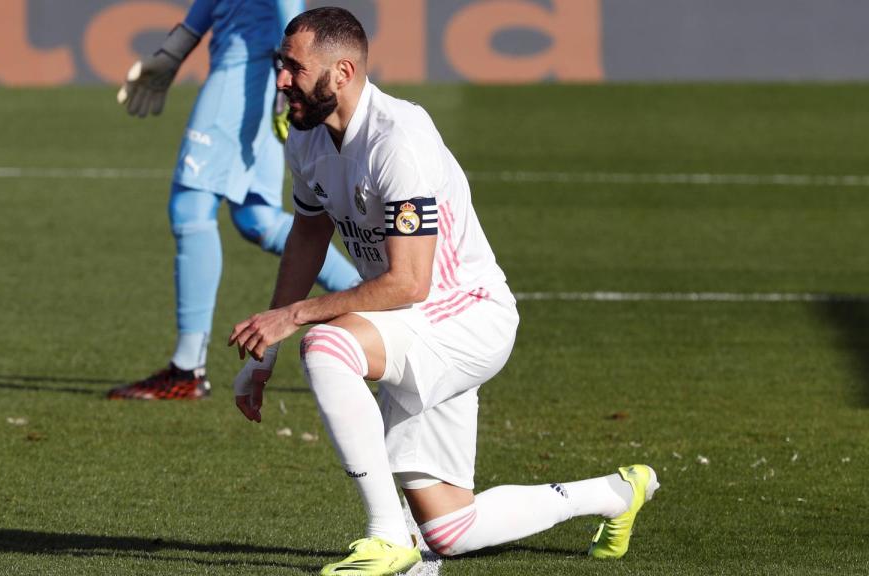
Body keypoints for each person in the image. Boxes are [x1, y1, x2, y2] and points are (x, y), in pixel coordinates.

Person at [227, 7, 659, 575]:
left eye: (295, 68)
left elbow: (410, 281)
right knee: (450, 530)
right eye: (281, 64)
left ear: (343, 73)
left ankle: (387, 537)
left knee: (328, 347)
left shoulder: (397, 139)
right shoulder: (306, 138)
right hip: (410, 323)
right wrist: (270, 346)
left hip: (465, 318)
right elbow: (310, 230)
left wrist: (299, 319)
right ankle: (611, 494)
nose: (282, 80)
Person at [108, 0, 361, 400]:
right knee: (255, 217)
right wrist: (172, 55)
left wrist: (287, 72)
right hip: (255, 70)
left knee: (191, 205)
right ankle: (374, 299)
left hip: (248, 72)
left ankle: (187, 369)